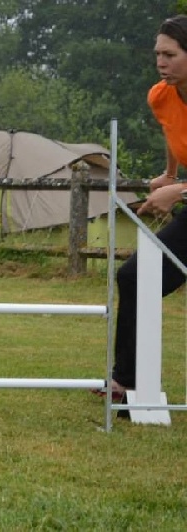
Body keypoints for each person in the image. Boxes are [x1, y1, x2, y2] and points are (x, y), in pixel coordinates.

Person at [107, 14, 187, 399]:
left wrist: (179, 192)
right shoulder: (161, 95)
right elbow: (172, 131)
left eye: (170, 55)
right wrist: (169, 175)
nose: (160, 62)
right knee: (136, 276)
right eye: (157, 54)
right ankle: (127, 382)